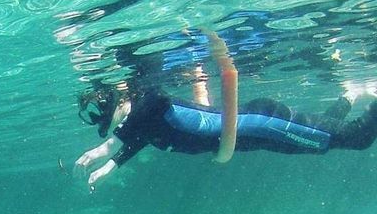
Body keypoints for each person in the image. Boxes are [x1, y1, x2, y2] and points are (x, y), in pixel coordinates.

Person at [74, 80, 377, 190]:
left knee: (358, 138)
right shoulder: (142, 124)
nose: (112, 129)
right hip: (255, 137)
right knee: (319, 143)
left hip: (261, 122)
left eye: (108, 120)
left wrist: (112, 143)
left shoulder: (147, 104)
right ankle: (349, 96)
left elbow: (158, 97)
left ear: (118, 102)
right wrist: (110, 166)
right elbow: (137, 139)